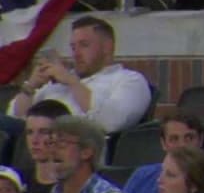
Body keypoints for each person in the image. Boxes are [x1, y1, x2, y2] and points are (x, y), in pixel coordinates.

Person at [7, 17, 152, 133]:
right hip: (32, 148)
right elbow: (15, 117)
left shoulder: (129, 80)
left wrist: (73, 83)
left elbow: (111, 121)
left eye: (84, 45)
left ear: (107, 47)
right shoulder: (58, 82)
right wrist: (31, 86)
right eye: (73, 47)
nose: (76, 54)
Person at [122, 111, 204, 193]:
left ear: (201, 140)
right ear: (163, 143)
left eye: (189, 138)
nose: (182, 145)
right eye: (174, 139)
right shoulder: (142, 176)